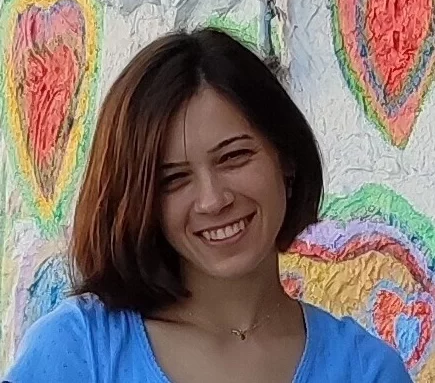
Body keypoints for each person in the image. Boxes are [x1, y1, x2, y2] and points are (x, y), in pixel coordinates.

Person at [3, 28, 412, 383]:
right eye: (173, 179)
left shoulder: (367, 371)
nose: (213, 200)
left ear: (285, 157)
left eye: (233, 157)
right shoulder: (80, 349)